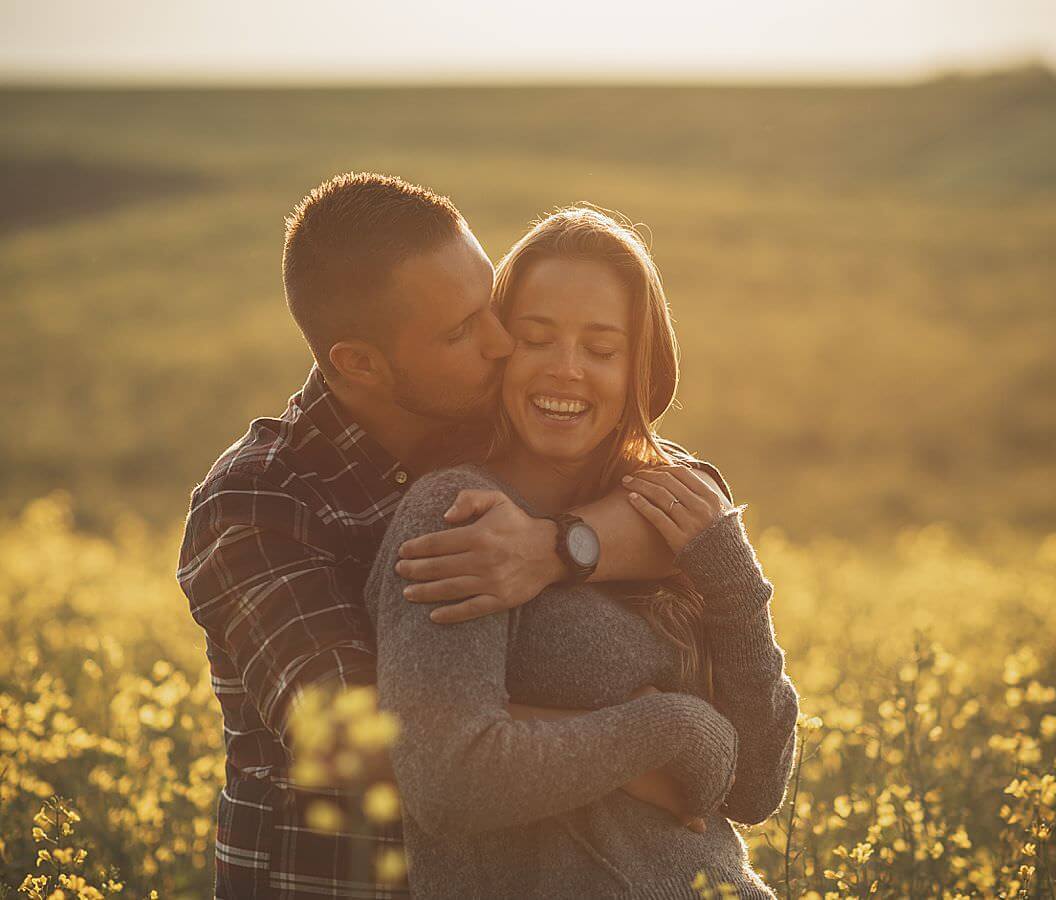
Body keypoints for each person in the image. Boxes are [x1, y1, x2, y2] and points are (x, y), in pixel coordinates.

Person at [176, 174, 735, 898]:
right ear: (360, 362)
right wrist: (639, 747)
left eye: (490, 306)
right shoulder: (257, 500)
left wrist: (557, 549)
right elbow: (364, 740)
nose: (502, 342)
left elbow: (693, 495)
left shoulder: (480, 413)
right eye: (461, 330)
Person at [365, 206, 799, 898]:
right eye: (537, 339)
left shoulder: (673, 504)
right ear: (501, 347)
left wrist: (737, 589)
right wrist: (668, 730)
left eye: (601, 350)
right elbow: (449, 781)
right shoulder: (456, 514)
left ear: (639, 366)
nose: (567, 371)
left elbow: (754, 790)